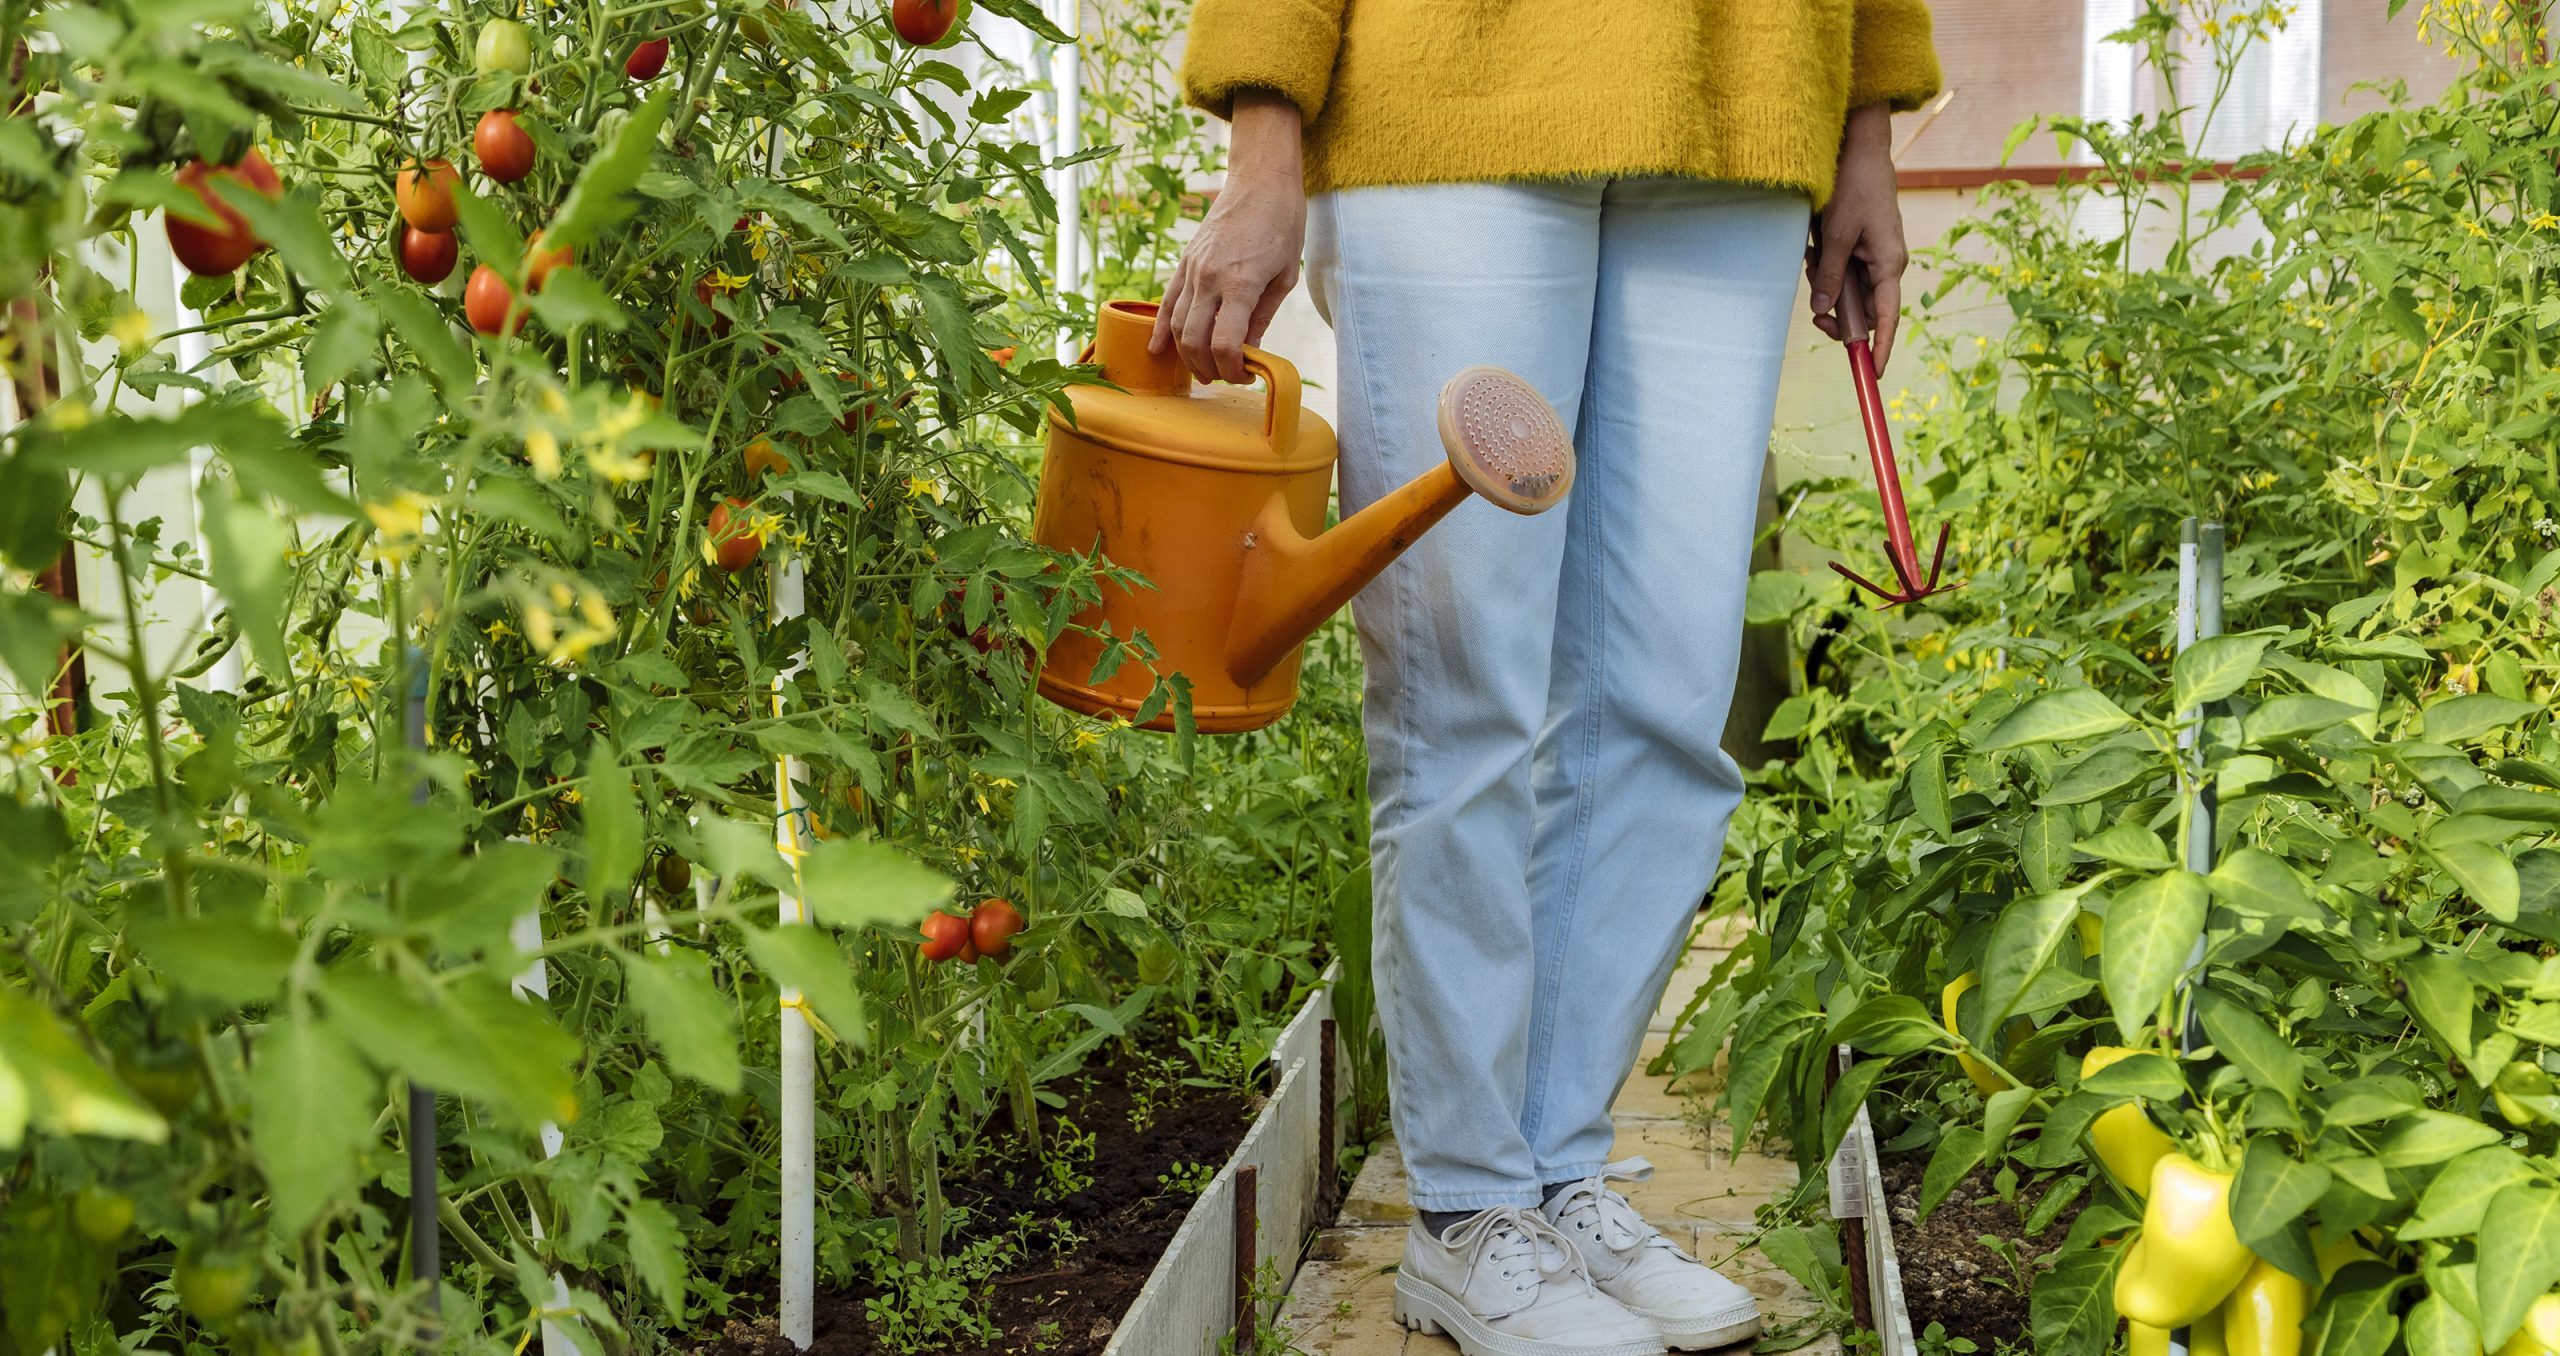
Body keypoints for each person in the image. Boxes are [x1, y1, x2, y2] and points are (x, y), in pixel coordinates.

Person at [1154, 4, 1939, 1354]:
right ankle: (1467, 1216)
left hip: (1739, 100)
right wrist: (1263, 138)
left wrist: (1864, 123)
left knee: (1669, 701)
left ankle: (1558, 1176)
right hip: (1447, 99)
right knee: (1469, 694)